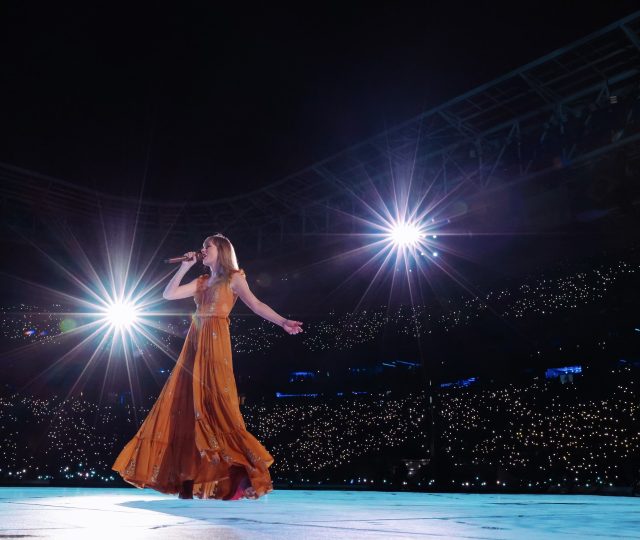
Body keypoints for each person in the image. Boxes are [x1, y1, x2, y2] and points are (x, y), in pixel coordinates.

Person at [112, 233, 303, 500]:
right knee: (189, 407)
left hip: (216, 342)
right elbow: (169, 294)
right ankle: (189, 478)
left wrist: (282, 321)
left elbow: (256, 304)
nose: (202, 250)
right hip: (195, 342)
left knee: (218, 404)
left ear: (221, 250)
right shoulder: (201, 281)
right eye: (202, 247)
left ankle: (243, 469)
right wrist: (185, 265)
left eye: (207, 246)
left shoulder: (235, 278)